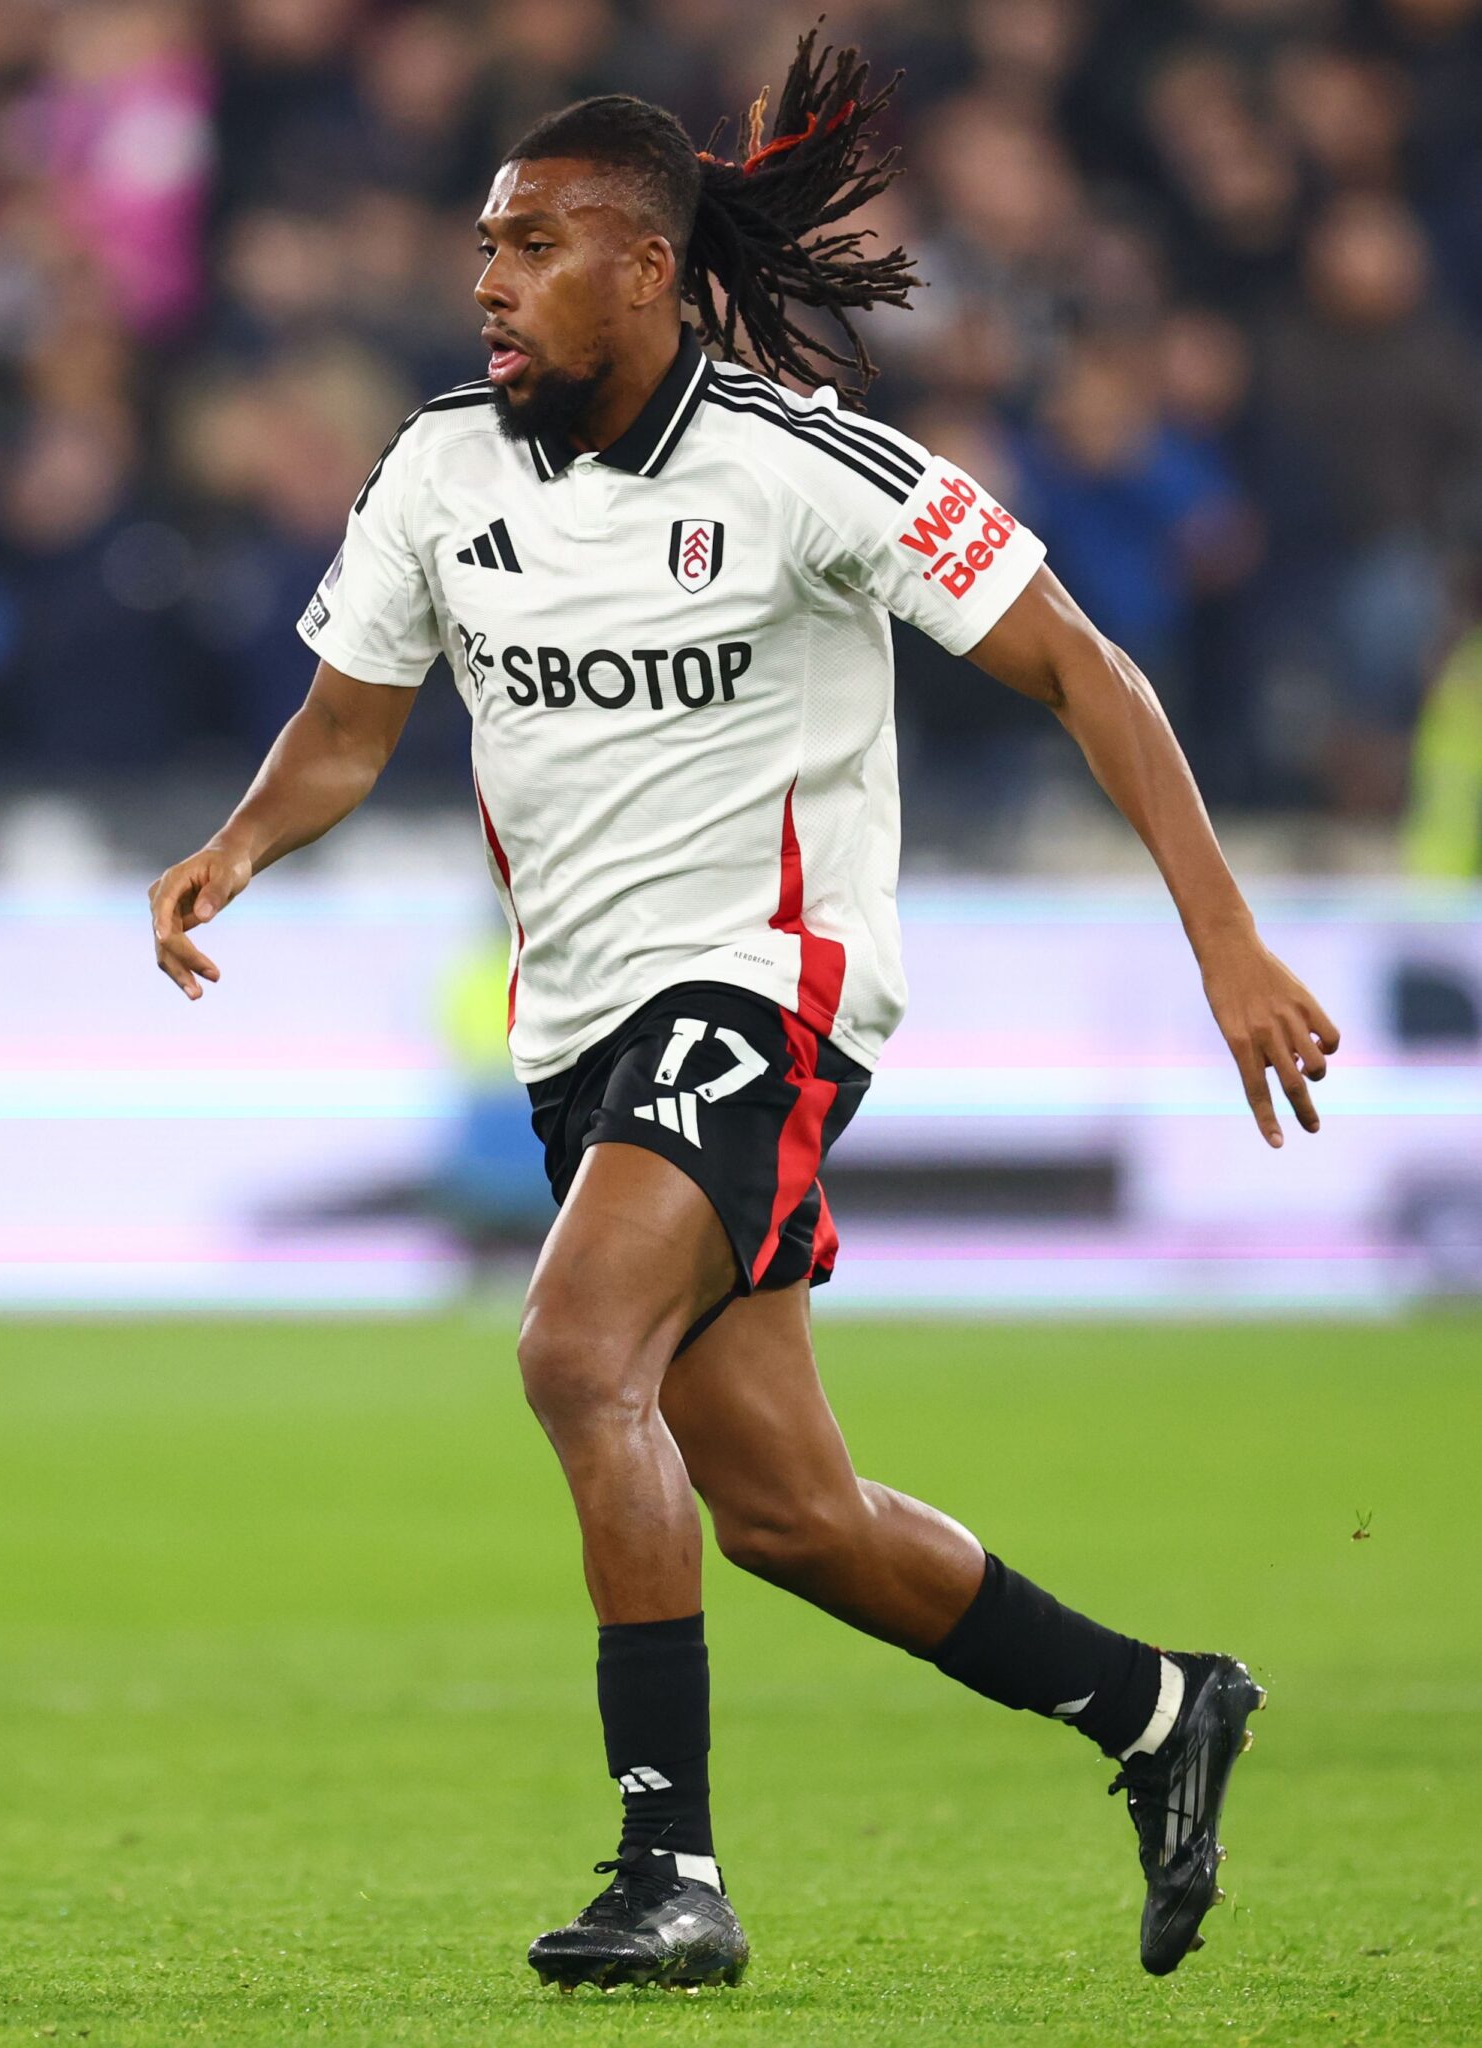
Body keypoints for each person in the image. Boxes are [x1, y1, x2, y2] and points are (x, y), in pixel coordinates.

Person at [149, 32, 1339, 1995]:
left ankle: (669, 1872)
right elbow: (347, 729)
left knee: (571, 1350)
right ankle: (1156, 1708)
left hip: (766, 990)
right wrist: (237, 844)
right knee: (788, 1511)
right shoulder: (438, 469)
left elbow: (1083, 667)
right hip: (575, 1031)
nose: (487, 280)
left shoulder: (807, 466)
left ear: (647, 266)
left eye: (531, 245)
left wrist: (1224, 940)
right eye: (484, 245)